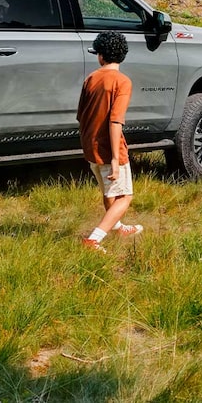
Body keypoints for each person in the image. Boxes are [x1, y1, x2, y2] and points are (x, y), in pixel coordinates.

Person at [77, 31, 143, 252]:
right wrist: (116, 158)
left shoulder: (91, 79)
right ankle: (94, 239)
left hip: (90, 145)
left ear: (101, 56)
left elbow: (81, 115)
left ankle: (117, 227)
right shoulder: (122, 82)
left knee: (110, 192)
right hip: (109, 148)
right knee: (125, 196)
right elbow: (116, 121)